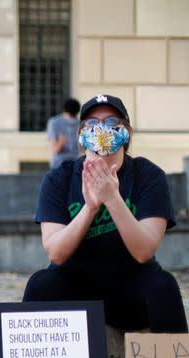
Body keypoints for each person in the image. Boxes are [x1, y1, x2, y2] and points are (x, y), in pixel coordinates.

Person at [23, 94, 187, 333]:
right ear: (80, 135)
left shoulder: (149, 175)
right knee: (41, 284)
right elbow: (56, 253)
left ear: (126, 132)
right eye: (92, 123)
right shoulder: (59, 178)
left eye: (111, 121)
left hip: (131, 284)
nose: (101, 129)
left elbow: (144, 251)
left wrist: (112, 198)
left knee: (164, 286)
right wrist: (90, 208)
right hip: (74, 285)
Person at [46, 97, 81, 170]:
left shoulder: (80, 123)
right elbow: (55, 149)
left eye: (74, 116)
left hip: (75, 165)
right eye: (70, 116)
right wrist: (61, 142)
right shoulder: (54, 123)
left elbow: (83, 150)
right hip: (58, 165)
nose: (72, 120)